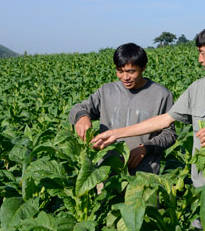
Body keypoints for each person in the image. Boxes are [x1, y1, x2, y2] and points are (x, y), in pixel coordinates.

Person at [91, 25, 205, 186]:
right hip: (203, 186)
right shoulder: (198, 88)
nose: (199, 60)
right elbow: (165, 120)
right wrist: (115, 133)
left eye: (202, 53)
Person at [69, 42, 176, 174]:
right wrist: (82, 117)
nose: (125, 78)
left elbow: (169, 134)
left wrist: (145, 148)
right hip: (106, 172)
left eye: (131, 72)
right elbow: (78, 108)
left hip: (143, 174)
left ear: (143, 68)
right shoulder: (107, 91)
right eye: (120, 71)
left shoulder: (161, 95)